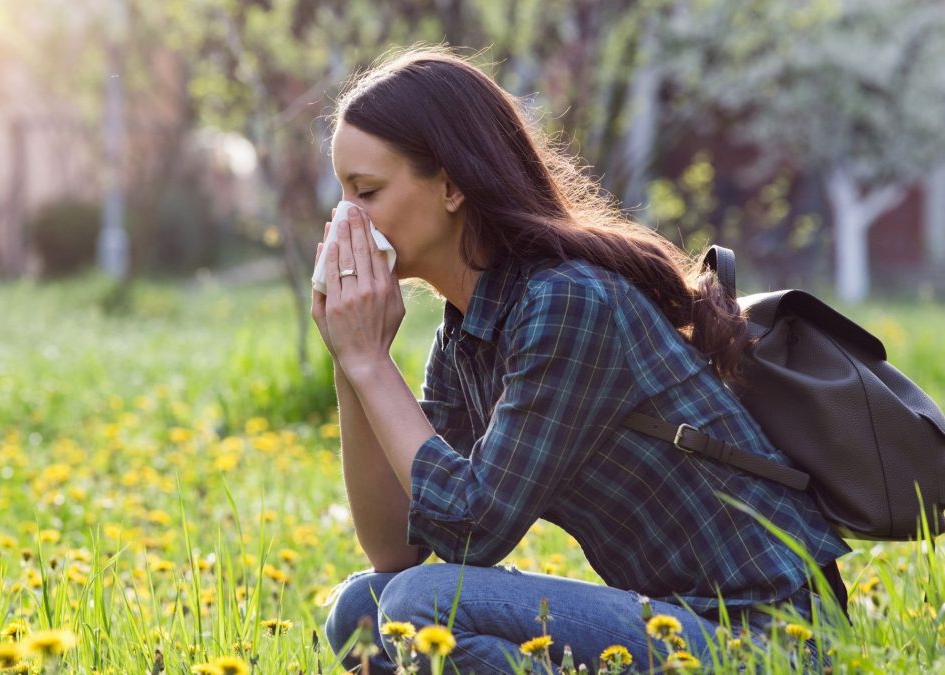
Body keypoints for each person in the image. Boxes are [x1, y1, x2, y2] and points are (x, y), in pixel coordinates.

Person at [311, 47, 849, 674]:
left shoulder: (566, 300)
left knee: (417, 606)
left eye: (366, 191)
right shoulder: (467, 333)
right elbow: (394, 548)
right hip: (669, 619)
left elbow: (473, 532)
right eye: (342, 195)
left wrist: (372, 362)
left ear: (453, 185)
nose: (346, 219)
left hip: (773, 640)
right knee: (361, 610)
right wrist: (352, 363)